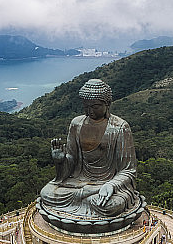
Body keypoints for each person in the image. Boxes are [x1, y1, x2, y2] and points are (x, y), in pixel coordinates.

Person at [38, 79, 140, 224]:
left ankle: (87, 198)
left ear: (107, 104)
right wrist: (60, 160)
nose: (90, 111)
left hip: (107, 183)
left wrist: (111, 185)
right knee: (47, 193)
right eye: (86, 106)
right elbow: (72, 161)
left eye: (95, 106)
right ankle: (86, 196)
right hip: (78, 181)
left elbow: (128, 170)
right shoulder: (76, 124)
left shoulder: (120, 127)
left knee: (111, 206)